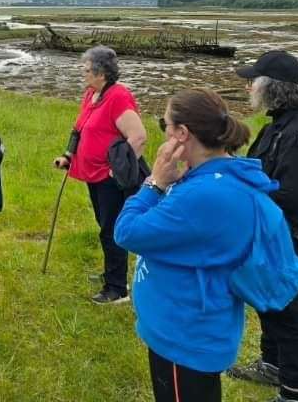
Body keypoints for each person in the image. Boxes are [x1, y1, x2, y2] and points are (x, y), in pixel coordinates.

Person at [114, 88, 267, 402]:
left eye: (165, 125)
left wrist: (155, 182)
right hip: (195, 324)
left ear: (182, 134)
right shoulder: (218, 175)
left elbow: (127, 232)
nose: (163, 132)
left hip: (183, 335)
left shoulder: (202, 194)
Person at [228, 51, 298, 402]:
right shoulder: (276, 127)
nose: (249, 87)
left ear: (273, 88)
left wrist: (245, 196)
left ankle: (292, 391)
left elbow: (292, 196)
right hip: (271, 235)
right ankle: (271, 365)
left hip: (289, 239)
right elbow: (258, 171)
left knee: (287, 312)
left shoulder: (297, 135)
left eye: (254, 81)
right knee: (267, 301)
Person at [53, 45, 146, 304]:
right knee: (104, 225)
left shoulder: (119, 97)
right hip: (93, 174)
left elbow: (138, 137)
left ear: (101, 73)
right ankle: (112, 273)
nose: (82, 73)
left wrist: (117, 171)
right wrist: (68, 156)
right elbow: (79, 129)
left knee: (111, 229)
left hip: (110, 178)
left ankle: (117, 289)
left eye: (86, 70)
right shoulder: (91, 94)